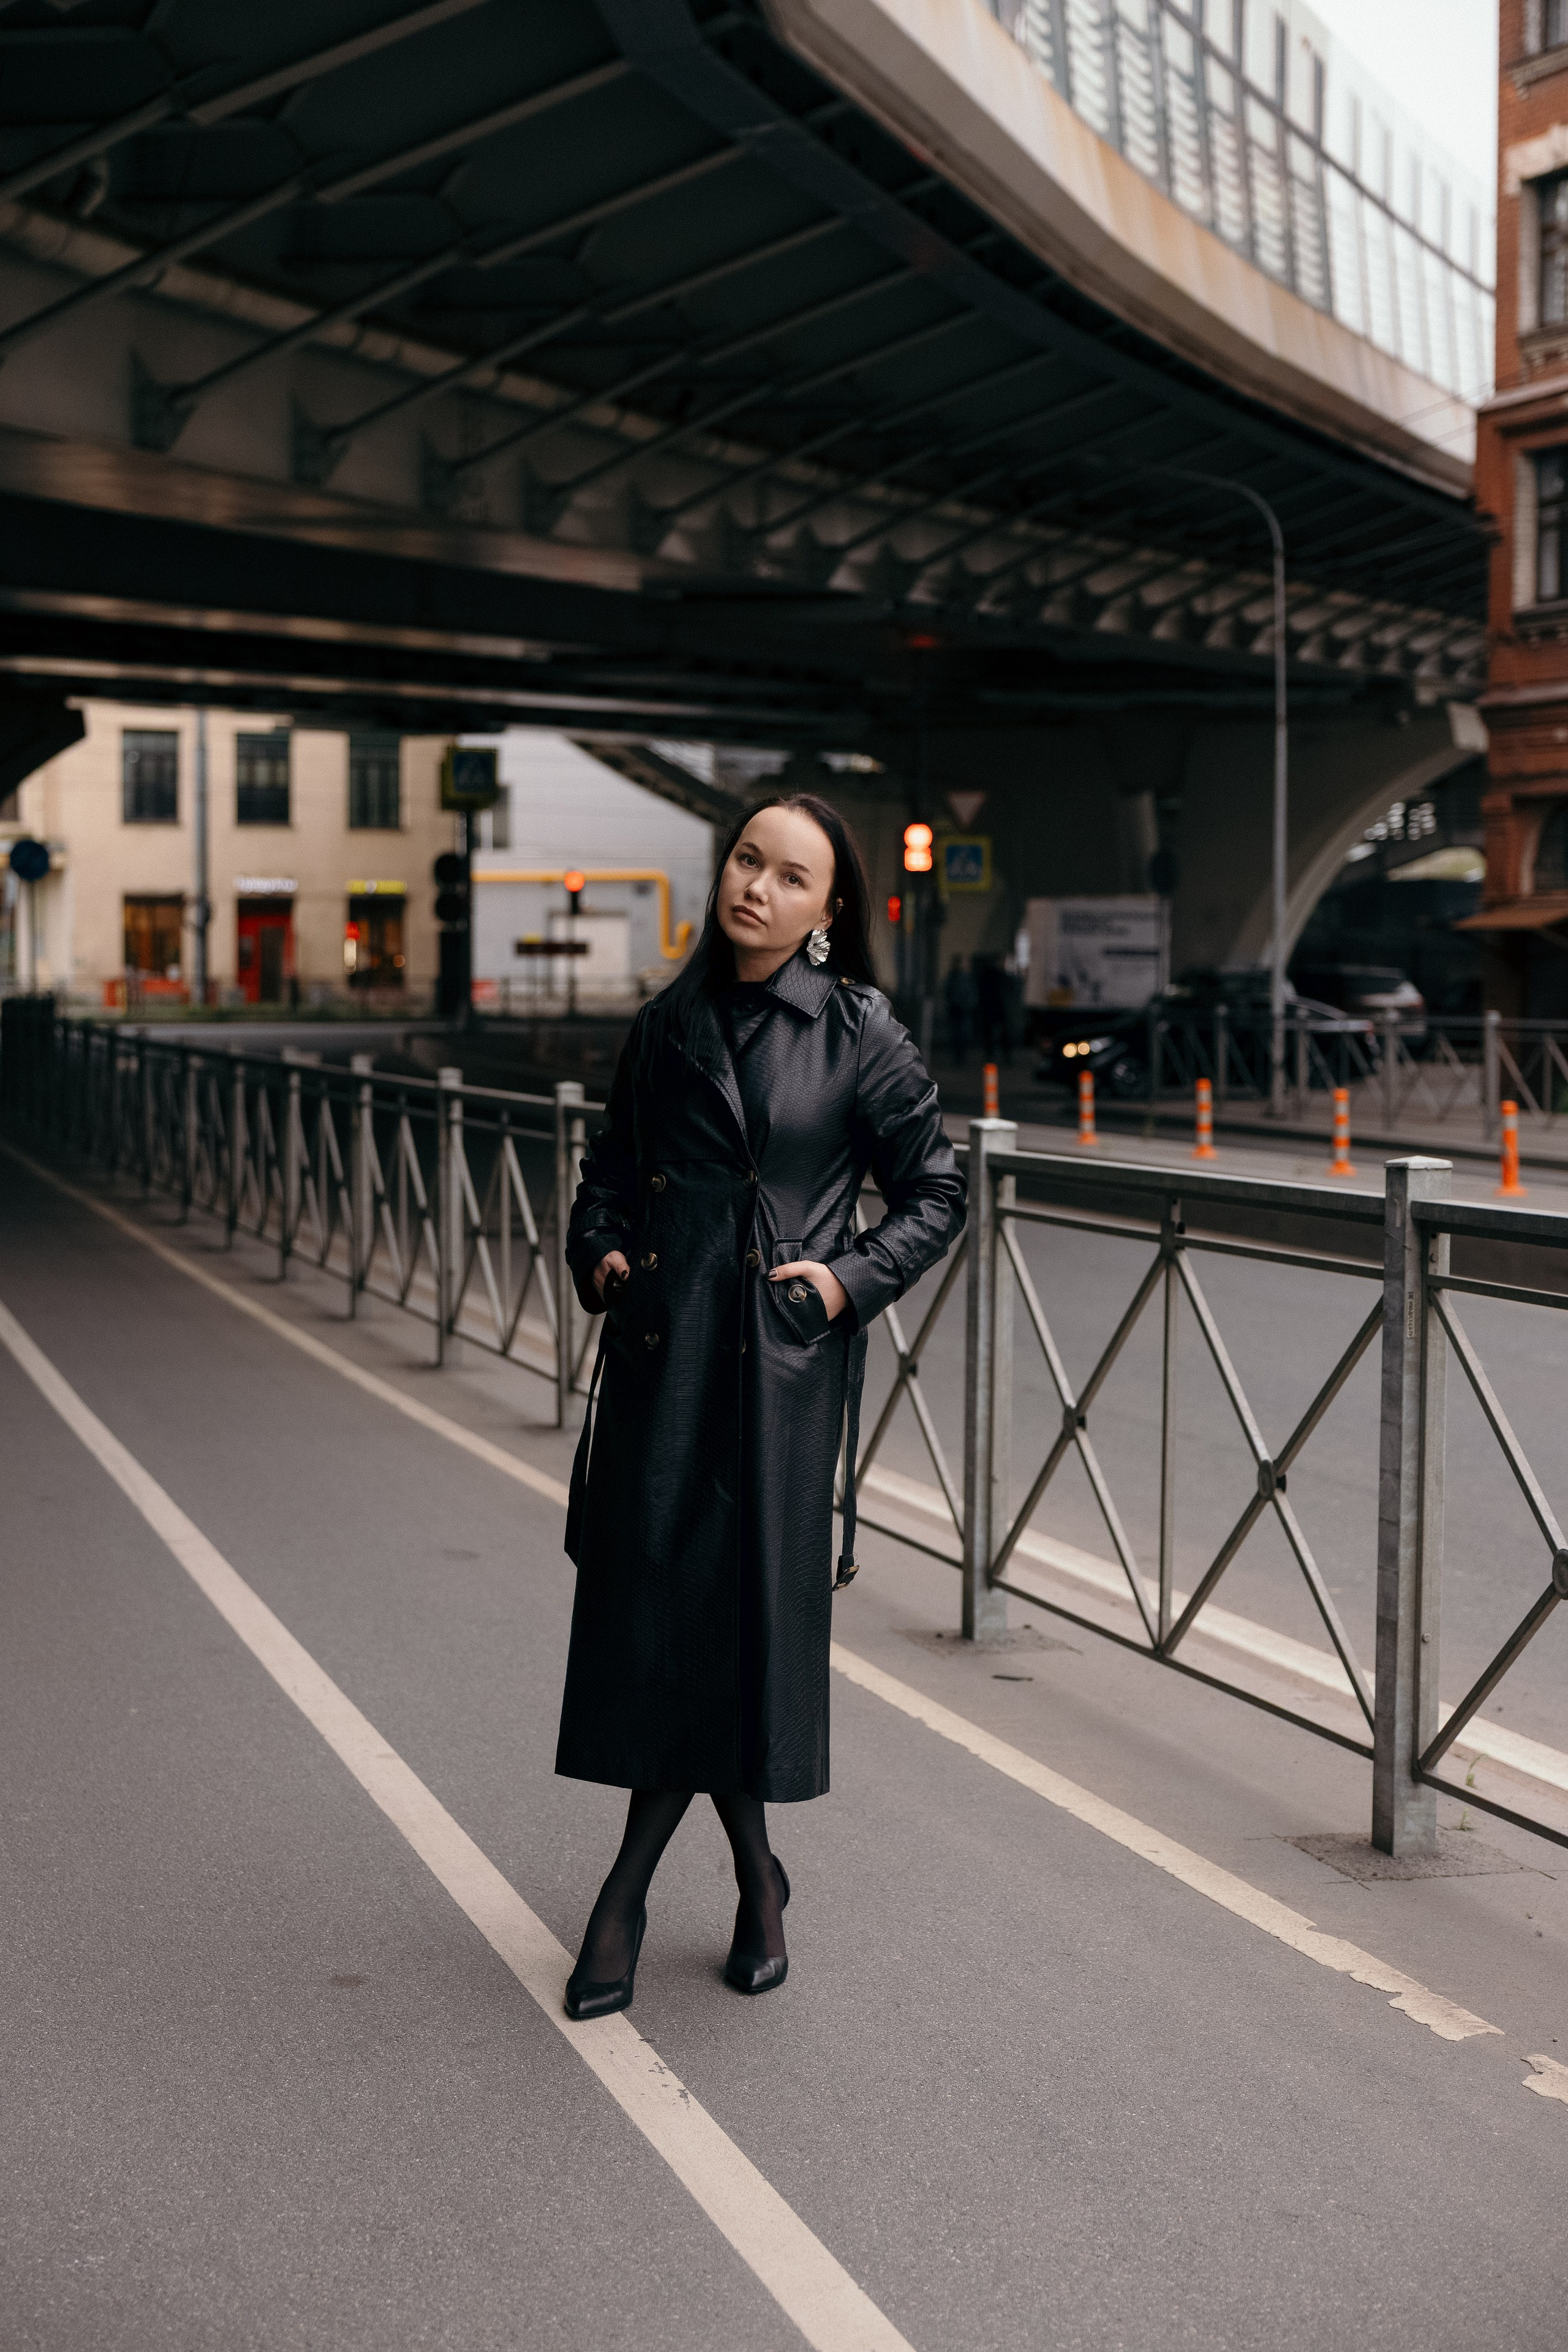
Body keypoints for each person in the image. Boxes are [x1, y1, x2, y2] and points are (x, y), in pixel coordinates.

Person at [557, 793, 966, 2018]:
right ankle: (757, 1879)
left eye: (790, 878)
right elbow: (609, 1181)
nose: (756, 889)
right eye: (746, 860)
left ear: (827, 912)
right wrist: (604, 1258)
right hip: (662, 1364)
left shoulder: (859, 1034)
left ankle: (620, 1902)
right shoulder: (663, 1023)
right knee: (675, 1627)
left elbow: (935, 1196)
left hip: (779, 1376)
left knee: (727, 1628)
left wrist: (840, 1284)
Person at [943, 954, 978, 1065]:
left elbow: (971, 993)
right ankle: (958, 1057)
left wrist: (968, 1005)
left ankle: (961, 1057)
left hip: (962, 1010)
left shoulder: (963, 977)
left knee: (961, 1034)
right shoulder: (954, 977)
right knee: (956, 1034)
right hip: (956, 1009)